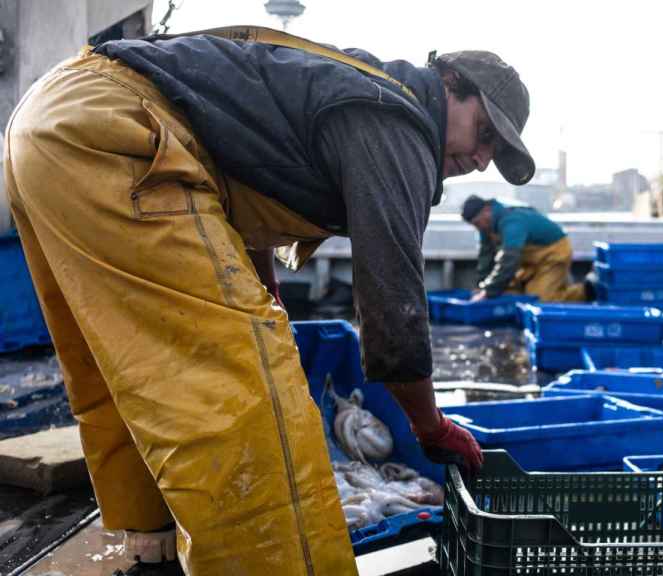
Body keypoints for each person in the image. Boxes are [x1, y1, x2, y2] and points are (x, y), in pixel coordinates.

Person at [3, 25, 534, 575]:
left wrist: (263, 290)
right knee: (247, 410)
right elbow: (393, 302)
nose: (482, 158)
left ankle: (151, 551)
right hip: (121, 134)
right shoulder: (398, 119)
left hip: (49, 123)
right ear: (450, 83)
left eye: (496, 152)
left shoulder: (347, 81)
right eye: (485, 132)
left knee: (122, 372)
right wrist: (430, 425)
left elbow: (235, 174)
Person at [461, 195, 590, 302]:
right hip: (528, 262)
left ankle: (587, 291)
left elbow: (509, 259)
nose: (478, 227)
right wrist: (482, 286)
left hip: (554, 255)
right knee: (507, 292)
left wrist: (488, 292)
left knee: (539, 299)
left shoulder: (512, 221)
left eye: (478, 223)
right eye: (474, 225)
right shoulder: (486, 227)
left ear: (487, 210)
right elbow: (486, 256)